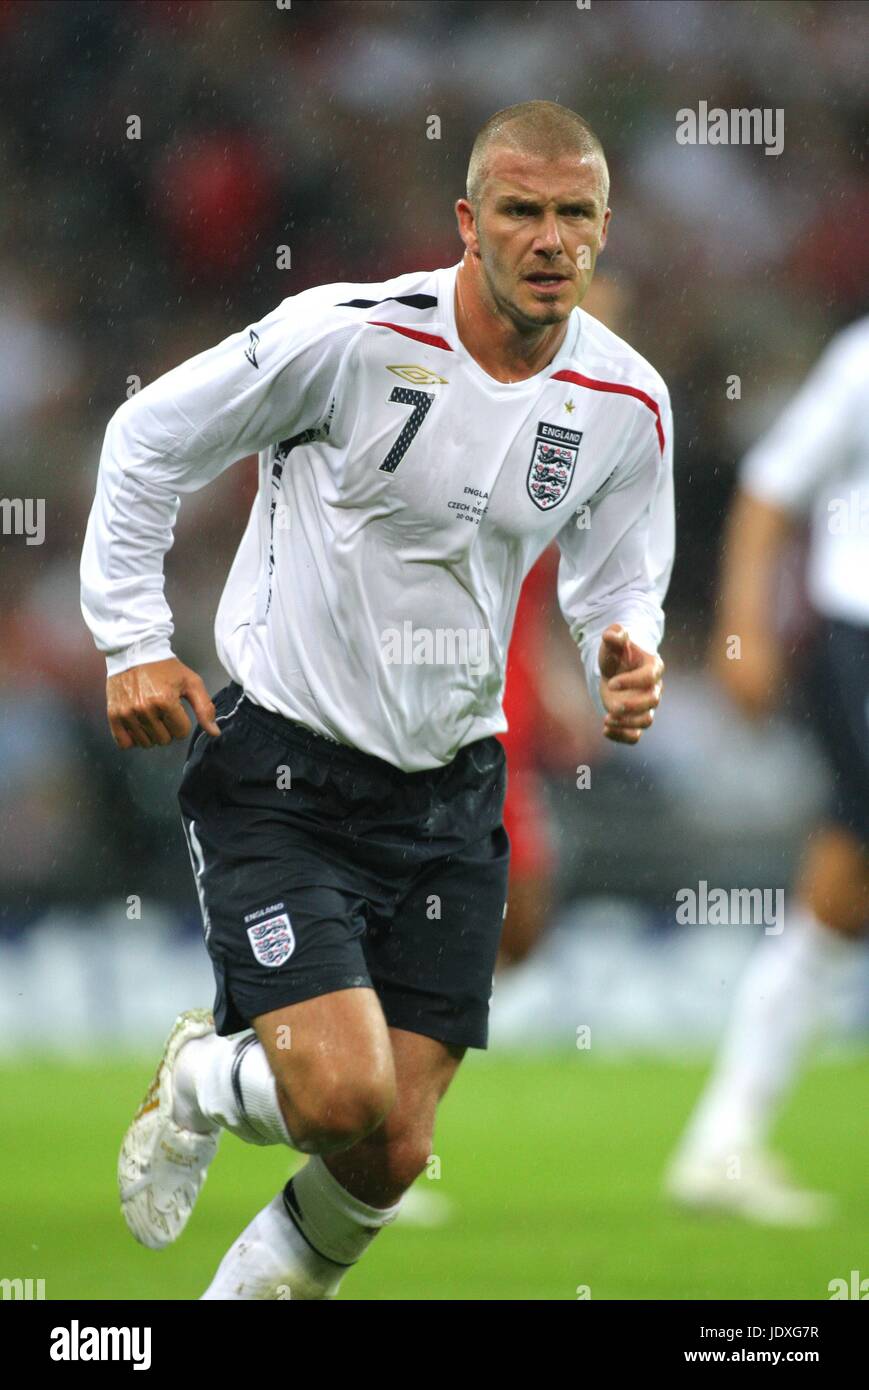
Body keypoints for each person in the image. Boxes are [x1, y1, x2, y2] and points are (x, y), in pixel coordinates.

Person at [80, 99, 673, 1299]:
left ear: (604, 229)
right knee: (337, 1094)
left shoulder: (626, 403)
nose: (547, 239)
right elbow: (147, 439)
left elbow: (618, 576)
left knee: (390, 1149)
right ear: (467, 221)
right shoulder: (345, 336)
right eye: (520, 211)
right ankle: (203, 1079)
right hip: (284, 772)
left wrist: (627, 647)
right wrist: (132, 641)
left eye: (573, 215)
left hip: (452, 787)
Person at [665, 317, 869, 1226]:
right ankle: (722, 1137)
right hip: (859, 640)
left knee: (844, 882)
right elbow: (770, 487)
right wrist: (739, 627)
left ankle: (722, 1136)